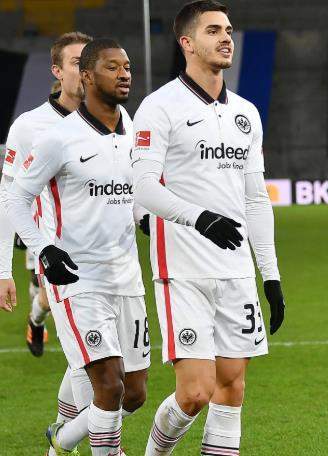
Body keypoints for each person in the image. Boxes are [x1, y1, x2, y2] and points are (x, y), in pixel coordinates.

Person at [131, 1, 286, 454]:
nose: (226, 38)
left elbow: (256, 198)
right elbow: (143, 186)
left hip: (236, 272)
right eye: (214, 30)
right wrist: (200, 219)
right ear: (187, 43)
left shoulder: (247, 113)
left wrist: (271, 275)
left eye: (229, 30)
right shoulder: (159, 107)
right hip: (182, 272)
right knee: (196, 392)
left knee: (232, 387)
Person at [7, 38, 149, 456]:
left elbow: (133, 189)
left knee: (134, 394)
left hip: (127, 276)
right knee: (108, 385)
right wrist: (43, 249)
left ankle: (62, 438)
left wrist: (146, 217)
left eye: (127, 67)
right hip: (77, 279)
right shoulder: (56, 137)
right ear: (86, 76)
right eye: (112, 67)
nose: (124, 74)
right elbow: (15, 197)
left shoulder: (131, 127)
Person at [0, 32, 91, 356]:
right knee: (93, 360)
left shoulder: (117, 119)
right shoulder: (31, 126)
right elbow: (8, 194)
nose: (84, 70)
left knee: (111, 366)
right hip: (49, 241)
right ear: (57, 71)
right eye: (76, 62)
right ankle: (37, 320)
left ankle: (36, 319)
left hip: (110, 258)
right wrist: (2, 271)